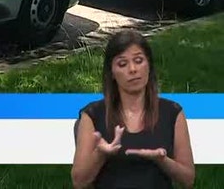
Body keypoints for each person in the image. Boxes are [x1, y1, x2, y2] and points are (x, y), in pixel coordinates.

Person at [71, 29, 195, 188]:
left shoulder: (172, 112)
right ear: (112, 72)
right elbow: (79, 181)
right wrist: (100, 154)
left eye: (138, 60)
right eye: (122, 64)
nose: (132, 69)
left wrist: (162, 160)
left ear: (149, 65)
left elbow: (188, 179)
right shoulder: (93, 114)